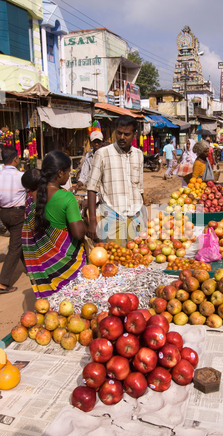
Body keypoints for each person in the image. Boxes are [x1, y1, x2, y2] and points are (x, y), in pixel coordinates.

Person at [22, 151, 86, 299]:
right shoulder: (66, 197)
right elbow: (78, 234)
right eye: (68, 172)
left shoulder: (32, 196)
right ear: (60, 173)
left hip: (46, 267)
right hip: (68, 265)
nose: (69, 176)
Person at [86, 115, 146, 247]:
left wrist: (144, 215)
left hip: (135, 215)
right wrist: (92, 221)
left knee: (135, 257)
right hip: (112, 215)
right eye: (119, 133)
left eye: (126, 134)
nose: (122, 137)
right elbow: (91, 188)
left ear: (134, 134)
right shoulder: (102, 154)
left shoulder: (138, 154)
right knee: (116, 259)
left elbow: (139, 187)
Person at [0, 147, 27, 294]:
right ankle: (3, 282)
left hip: (4, 213)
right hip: (17, 214)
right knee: (15, 247)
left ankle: (30, 268)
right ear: (15, 159)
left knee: (19, 240)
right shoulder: (20, 176)